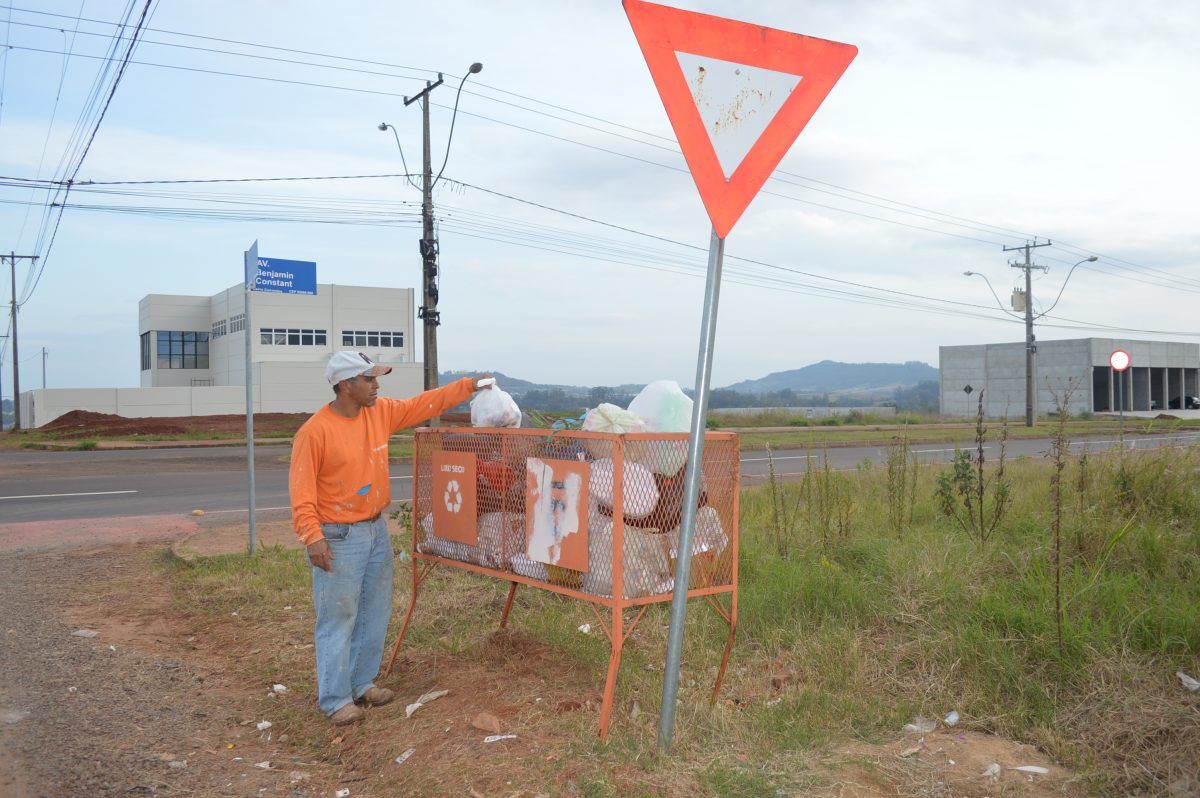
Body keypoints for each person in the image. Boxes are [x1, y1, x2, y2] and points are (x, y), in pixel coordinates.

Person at [289, 350, 491, 725]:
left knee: (374, 611)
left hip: (375, 528)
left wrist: (467, 386)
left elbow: (423, 403)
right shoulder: (315, 432)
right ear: (346, 385)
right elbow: (301, 494)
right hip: (338, 535)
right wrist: (312, 537)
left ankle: (362, 682)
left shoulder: (378, 413)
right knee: (338, 617)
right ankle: (335, 700)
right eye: (369, 379)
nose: (376, 386)